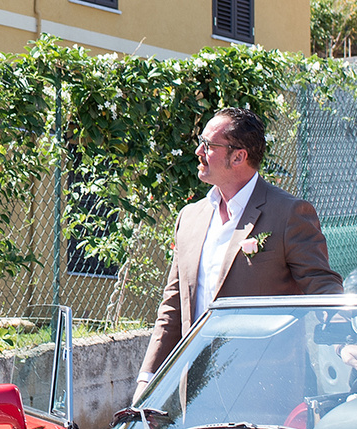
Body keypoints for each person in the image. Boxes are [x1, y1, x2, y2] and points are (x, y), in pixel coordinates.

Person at [135, 108, 342, 398]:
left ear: (239, 156)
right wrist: (147, 379)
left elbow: (321, 286)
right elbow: (173, 306)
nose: (198, 151)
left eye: (208, 145)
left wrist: (344, 339)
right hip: (193, 395)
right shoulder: (189, 217)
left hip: (264, 394)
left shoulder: (288, 213)